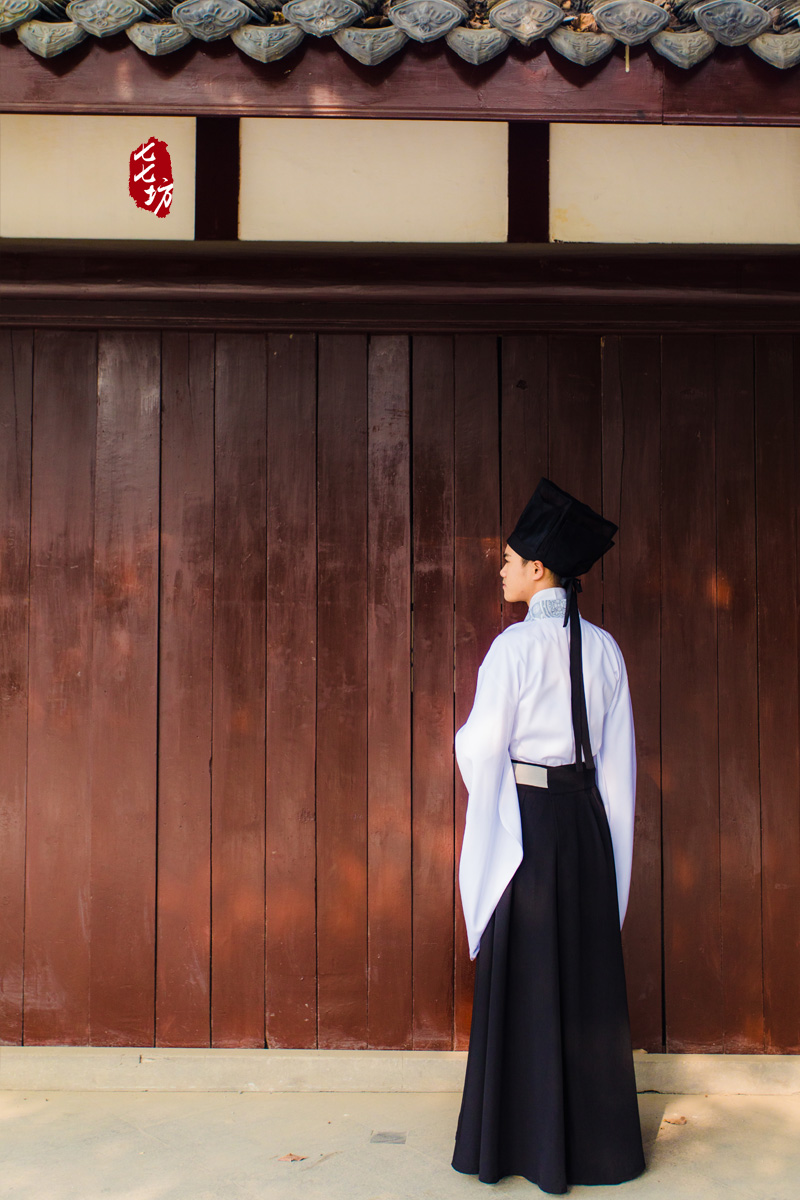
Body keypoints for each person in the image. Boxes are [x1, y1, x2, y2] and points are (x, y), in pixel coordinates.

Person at [451, 477, 645, 1196]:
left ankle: (518, 1144)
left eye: (508, 558)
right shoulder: (605, 651)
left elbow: (480, 747)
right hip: (585, 828)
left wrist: (475, 763)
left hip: (527, 828)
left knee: (529, 980)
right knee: (584, 981)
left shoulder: (511, 650)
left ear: (539, 569)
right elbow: (618, 763)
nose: (500, 569)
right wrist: (608, 841)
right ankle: (600, 1151)